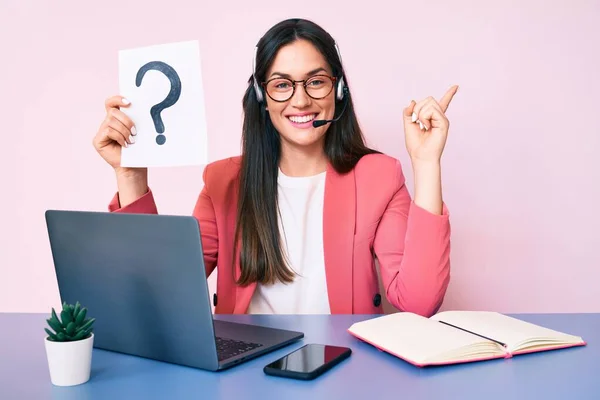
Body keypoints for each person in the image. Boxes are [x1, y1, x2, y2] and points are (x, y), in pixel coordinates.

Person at [92, 18, 457, 316]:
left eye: (316, 82)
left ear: (338, 90)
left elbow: (419, 302)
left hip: (345, 367)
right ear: (260, 97)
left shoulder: (379, 176)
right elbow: (157, 294)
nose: (301, 100)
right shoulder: (223, 182)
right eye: (282, 85)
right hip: (245, 372)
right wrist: (130, 175)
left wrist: (426, 164)